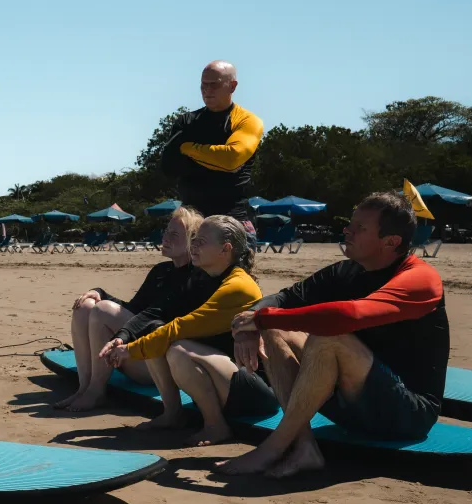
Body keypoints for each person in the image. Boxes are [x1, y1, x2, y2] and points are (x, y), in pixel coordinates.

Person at [218, 191, 449, 477]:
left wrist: (261, 320)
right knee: (276, 329)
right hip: (350, 408)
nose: (346, 230)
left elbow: (348, 316)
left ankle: (273, 448)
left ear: (391, 242)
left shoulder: (420, 280)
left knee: (329, 336)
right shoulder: (346, 271)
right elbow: (283, 298)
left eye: (359, 228)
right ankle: (304, 448)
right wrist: (248, 328)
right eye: (350, 223)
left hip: (406, 414)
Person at [99, 216, 262, 443]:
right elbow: (159, 310)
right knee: (155, 331)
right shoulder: (202, 277)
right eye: (193, 239)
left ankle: (216, 426)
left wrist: (130, 350)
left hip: (254, 392)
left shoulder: (237, 287)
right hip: (223, 379)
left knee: (178, 348)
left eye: (201, 241)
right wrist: (122, 337)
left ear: (225, 249)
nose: (193, 245)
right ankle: (172, 414)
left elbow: (182, 327)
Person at [57, 206, 208, 412]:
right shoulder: (161, 271)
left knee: (102, 311)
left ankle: (96, 392)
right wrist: (99, 292)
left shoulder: (196, 277)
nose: (166, 237)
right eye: (166, 232)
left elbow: (153, 315)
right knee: (85, 306)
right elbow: (134, 309)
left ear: (193, 241)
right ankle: (85, 388)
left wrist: (122, 335)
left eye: (174, 234)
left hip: (159, 364)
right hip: (138, 351)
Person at [159, 61, 264, 240]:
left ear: (232, 86)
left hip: (232, 221)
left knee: (234, 270)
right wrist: (219, 163)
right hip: (191, 222)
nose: (207, 90)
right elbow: (168, 166)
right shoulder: (186, 121)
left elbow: (232, 158)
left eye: (214, 84)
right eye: (203, 85)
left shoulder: (246, 120)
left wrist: (187, 148)